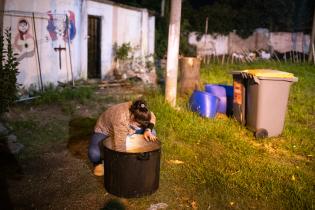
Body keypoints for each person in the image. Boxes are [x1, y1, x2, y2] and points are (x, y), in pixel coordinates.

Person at [88, 99, 157, 176]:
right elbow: (120, 147)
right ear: (132, 118)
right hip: (105, 132)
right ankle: (98, 163)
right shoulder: (121, 119)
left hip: (128, 127)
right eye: (139, 125)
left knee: (152, 132)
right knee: (94, 154)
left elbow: (152, 117)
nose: (141, 127)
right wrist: (127, 164)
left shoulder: (139, 109)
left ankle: (143, 157)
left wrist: (148, 130)